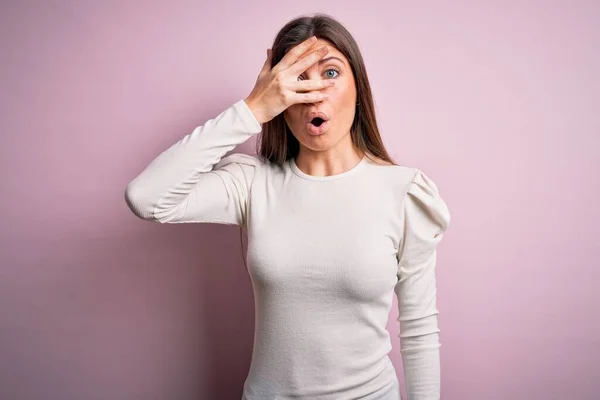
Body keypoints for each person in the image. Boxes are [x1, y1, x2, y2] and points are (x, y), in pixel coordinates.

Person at [125, 13, 450, 400]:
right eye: (298, 79)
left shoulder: (404, 192)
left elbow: (419, 330)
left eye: (330, 73)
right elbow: (147, 198)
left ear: (358, 86)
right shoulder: (252, 182)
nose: (314, 92)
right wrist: (252, 109)